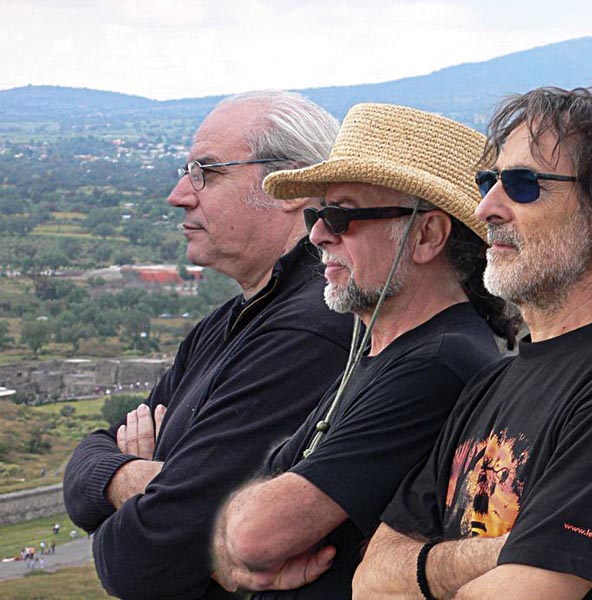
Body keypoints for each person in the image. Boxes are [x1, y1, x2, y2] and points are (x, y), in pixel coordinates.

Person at [354, 87, 592, 599]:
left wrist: (425, 573)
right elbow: (370, 580)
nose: (486, 207)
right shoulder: (492, 382)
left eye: (523, 185)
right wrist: (497, 554)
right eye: (488, 182)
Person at [209, 104, 514, 598]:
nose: (317, 234)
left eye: (341, 215)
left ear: (426, 235)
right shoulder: (379, 348)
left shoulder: (436, 365)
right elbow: (248, 525)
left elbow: (254, 536)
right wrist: (237, 545)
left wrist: (241, 541)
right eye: (317, 213)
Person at [63, 91, 351, 600]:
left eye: (206, 173)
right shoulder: (228, 323)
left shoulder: (309, 331)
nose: (179, 195)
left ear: (291, 185)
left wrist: (143, 491)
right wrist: (134, 478)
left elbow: (143, 560)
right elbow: (86, 462)